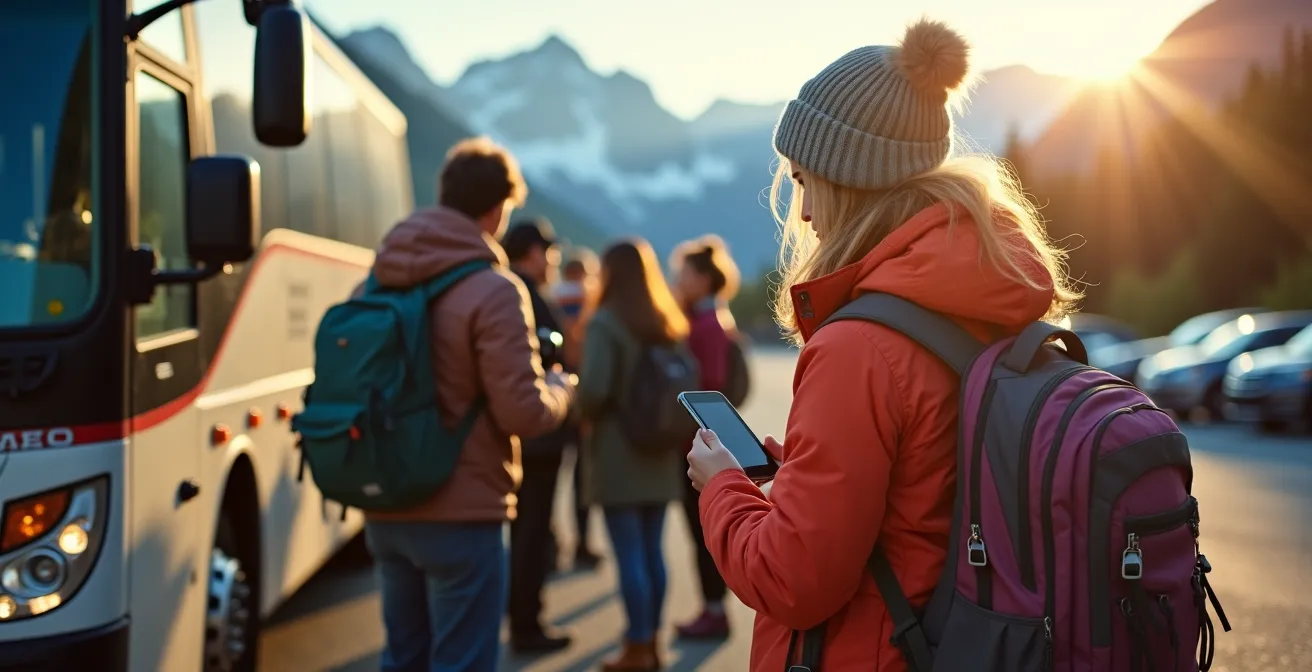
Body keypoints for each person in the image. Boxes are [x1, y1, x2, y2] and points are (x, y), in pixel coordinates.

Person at [685, 19, 1080, 671]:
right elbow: (921, 490)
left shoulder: (861, 346)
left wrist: (724, 487)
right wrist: (801, 473)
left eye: (808, 181)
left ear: (853, 178)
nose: (805, 213)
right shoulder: (986, 300)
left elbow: (793, 580)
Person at [362, 137, 575, 672]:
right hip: (461, 510)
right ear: (499, 207)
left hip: (386, 500)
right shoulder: (494, 289)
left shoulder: (381, 274)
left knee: (402, 659)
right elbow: (523, 413)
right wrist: (560, 393)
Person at [576, 239, 692, 671]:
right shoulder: (665, 320)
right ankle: (651, 641)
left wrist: (572, 402)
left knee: (629, 553)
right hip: (660, 452)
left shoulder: (607, 322)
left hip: (618, 455)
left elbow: (594, 391)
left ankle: (637, 646)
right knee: (652, 551)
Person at [500, 217, 577, 654]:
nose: (553, 259)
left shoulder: (509, 290)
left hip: (520, 435)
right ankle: (526, 625)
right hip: (540, 435)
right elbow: (551, 363)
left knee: (525, 532)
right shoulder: (526, 297)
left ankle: (521, 614)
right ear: (531, 253)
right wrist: (563, 388)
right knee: (532, 533)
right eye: (548, 252)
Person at [669, 235, 741, 640]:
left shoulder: (705, 324)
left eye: (683, 274)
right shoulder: (715, 317)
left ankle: (714, 612)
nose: (678, 281)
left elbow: (709, 385)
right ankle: (713, 609)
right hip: (705, 443)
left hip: (699, 446)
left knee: (703, 534)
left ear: (700, 278)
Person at [550, 246, 605, 570]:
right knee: (582, 481)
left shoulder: (553, 299)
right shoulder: (592, 302)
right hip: (582, 401)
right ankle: (582, 543)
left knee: (552, 478)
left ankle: (553, 543)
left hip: (558, 396)